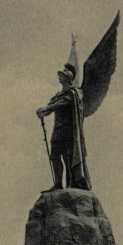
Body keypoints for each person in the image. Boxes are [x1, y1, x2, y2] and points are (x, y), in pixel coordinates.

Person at [36, 63, 91, 191]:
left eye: (61, 75)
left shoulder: (73, 93)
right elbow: (50, 107)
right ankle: (58, 183)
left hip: (69, 131)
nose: (59, 77)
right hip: (57, 131)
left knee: (69, 157)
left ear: (68, 77)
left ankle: (72, 183)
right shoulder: (56, 95)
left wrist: (47, 108)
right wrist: (42, 112)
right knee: (54, 156)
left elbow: (62, 103)